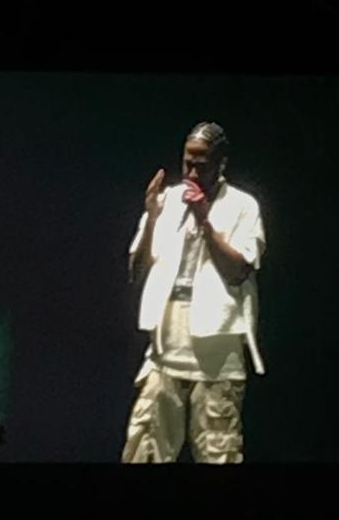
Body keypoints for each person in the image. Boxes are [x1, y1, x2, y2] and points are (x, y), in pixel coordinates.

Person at [122, 122, 266, 464]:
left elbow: (238, 271)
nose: (192, 171)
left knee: (219, 454)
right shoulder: (168, 200)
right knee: (144, 452)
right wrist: (153, 220)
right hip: (163, 351)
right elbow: (136, 270)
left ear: (221, 163)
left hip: (217, 356)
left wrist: (205, 219)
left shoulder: (244, 206)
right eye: (188, 162)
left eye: (202, 164)